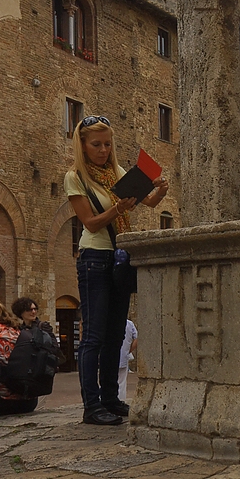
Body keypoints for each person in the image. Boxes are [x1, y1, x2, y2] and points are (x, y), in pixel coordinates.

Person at [65, 115, 168, 426]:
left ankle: (111, 398)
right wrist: (117, 209)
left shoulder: (116, 173)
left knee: (116, 334)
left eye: (107, 144)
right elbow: (90, 222)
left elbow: (148, 202)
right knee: (93, 336)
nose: (103, 150)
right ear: (82, 146)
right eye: (96, 144)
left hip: (119, 257)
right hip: (94, 256)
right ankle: (91, 405)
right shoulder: (76, 178)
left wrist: (160, 189)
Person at [118, 320, 138, 402]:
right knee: (122, 382)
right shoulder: (129, 324)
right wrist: (129, 350)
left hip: (109, 357)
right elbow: (137, 338)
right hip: (123, 356)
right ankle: (121, 400)